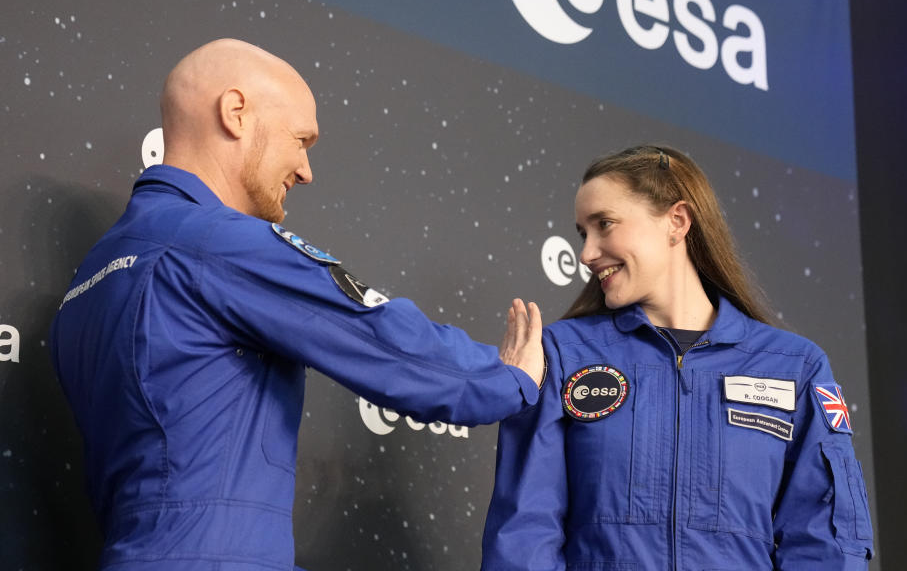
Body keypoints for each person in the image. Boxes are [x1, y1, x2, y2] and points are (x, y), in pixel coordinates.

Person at [48, 38, 545, 571]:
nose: (306, 170)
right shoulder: (218, 243)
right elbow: (382, 340)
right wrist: (507, 377)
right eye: (300, 138)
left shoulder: (92, 275)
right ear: (236, 113)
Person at [481, 145, 874, 570]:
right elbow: (524, 532)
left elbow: (826, 543)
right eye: (583, 233)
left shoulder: (794, 366)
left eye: (604, 225)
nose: (586, 253)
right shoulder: (563, 353)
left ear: (677, 221)